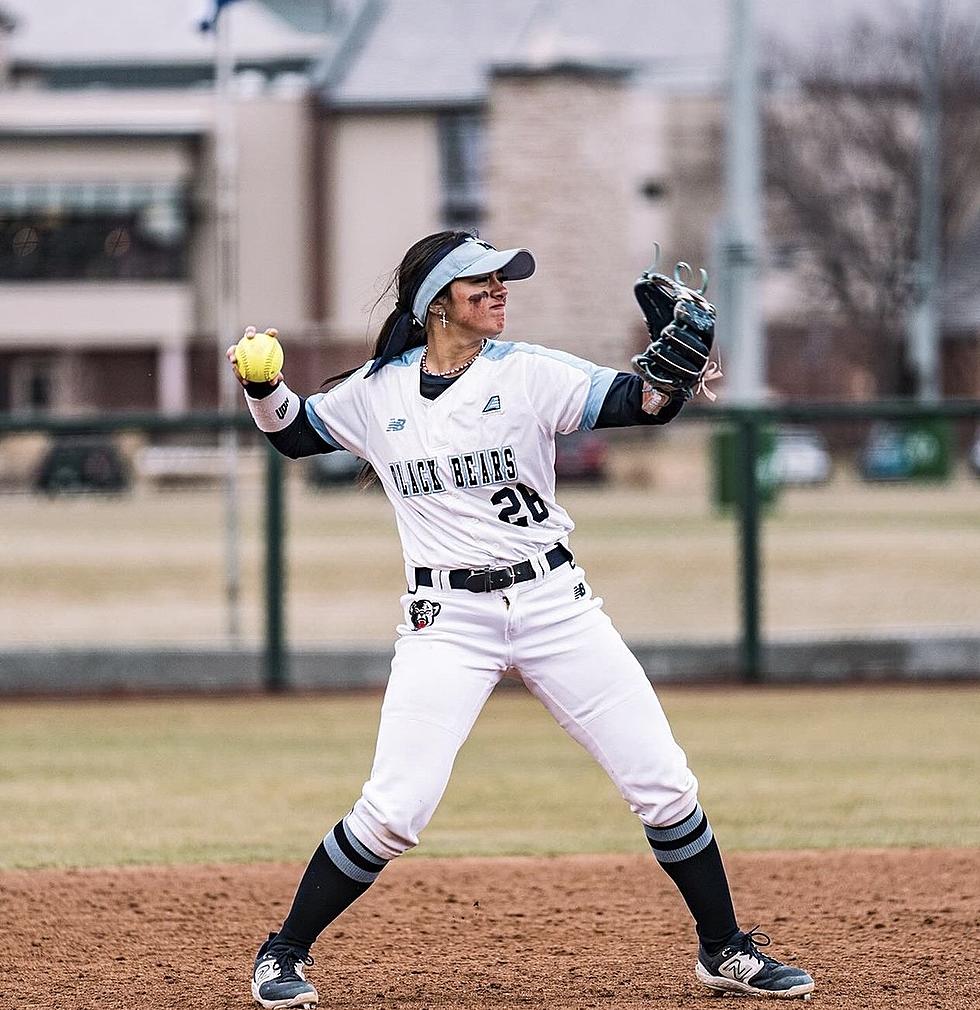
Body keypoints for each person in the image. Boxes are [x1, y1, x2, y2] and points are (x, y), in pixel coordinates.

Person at [231, 231, 815, 1007]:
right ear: (436, 302)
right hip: (448, 618)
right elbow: (296, 434)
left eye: (505, 279)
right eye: (483, 281)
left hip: (554, 607)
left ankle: (724, 950)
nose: (502, 289)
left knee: (664, 785)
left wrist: (669, 371)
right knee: (396, 808)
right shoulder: (379, 391)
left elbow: (641, 403)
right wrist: (260, 385)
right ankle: (284, 953)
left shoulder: (530, 373)